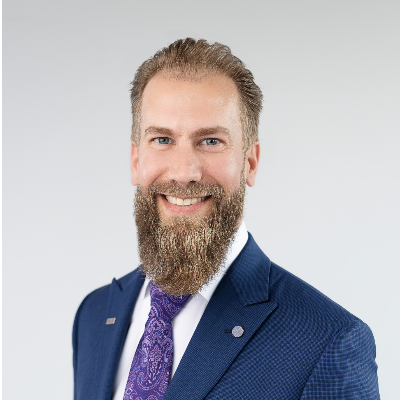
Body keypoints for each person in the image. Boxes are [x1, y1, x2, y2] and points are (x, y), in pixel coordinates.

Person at [72, 38, 380, 400]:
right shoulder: (94, 315)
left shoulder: (326, 342)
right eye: (162, 139)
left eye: (211, 141)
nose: (184, 172)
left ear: (250, 162)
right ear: (135, 160)